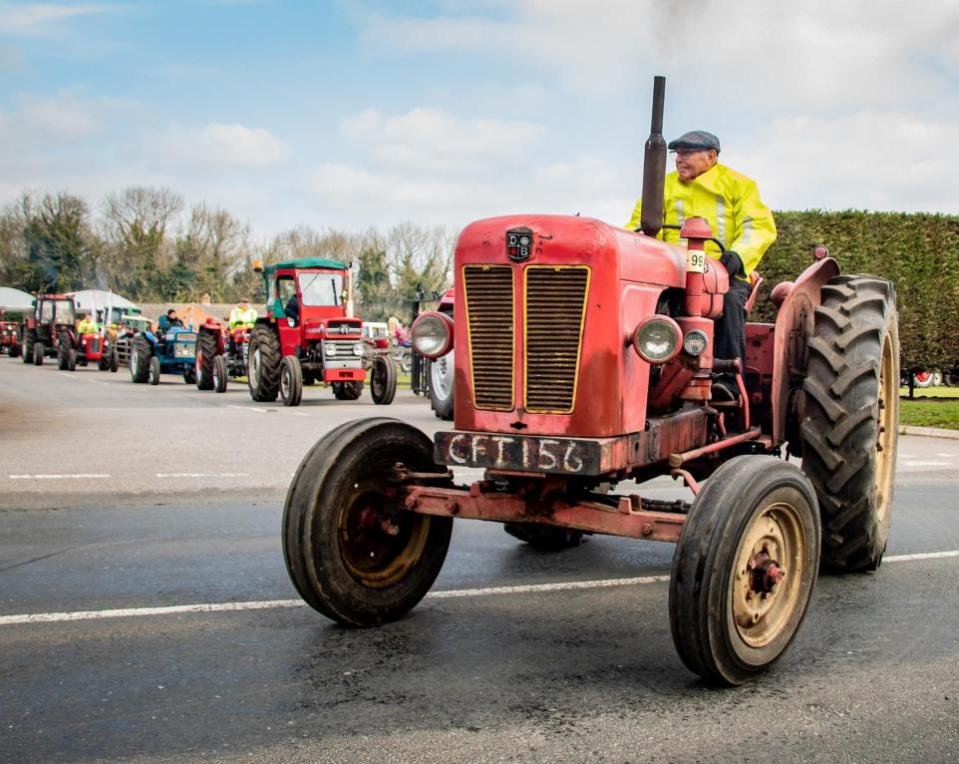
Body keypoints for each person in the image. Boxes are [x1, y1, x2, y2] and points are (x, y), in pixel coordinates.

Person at [626, 130, 777, 385]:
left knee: (729, 304)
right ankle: (642, 380)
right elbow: (637, 229)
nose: (678, 159)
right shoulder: (662, 186)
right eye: (676, 154)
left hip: (723, 274)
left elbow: (758, 227)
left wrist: (738, 257)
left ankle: (727, 382)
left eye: (686, 153)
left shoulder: (739, 185)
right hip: (671, 275)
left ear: (711, 156)